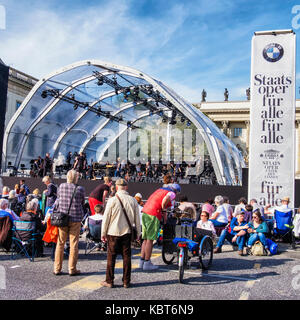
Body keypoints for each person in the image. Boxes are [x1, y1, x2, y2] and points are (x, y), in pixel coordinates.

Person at [100, 179, 140, 288]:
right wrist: (138, 233)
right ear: (126, 187)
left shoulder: (112, 200)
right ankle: (126, 281)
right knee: (127, 257)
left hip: (113, 232)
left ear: (117, 187)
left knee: (111, 257)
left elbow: (106, 218)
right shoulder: (133, 201)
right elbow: (137, 219)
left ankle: (109, 281)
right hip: (127, 232)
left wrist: (103, 233)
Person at [140, 183, 181, 271]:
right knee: (150, 240)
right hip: (153, 214)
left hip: (145, 212)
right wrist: (163, 208)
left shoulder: (159, 190)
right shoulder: (171, 193)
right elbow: (165, 201)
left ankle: (142, 261)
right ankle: (147, 263)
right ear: (176, 191)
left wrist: (164, 216)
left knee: (145, 239)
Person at [53, 169, 85, 276]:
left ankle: (57, 268)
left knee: (60, 243)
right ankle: (72, 269)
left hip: (62, 218)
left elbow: (58, 200)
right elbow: (82, 202)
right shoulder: (80, 189)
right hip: (75, 218)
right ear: (76, 178)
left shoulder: (61, 186)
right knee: (74, 243)